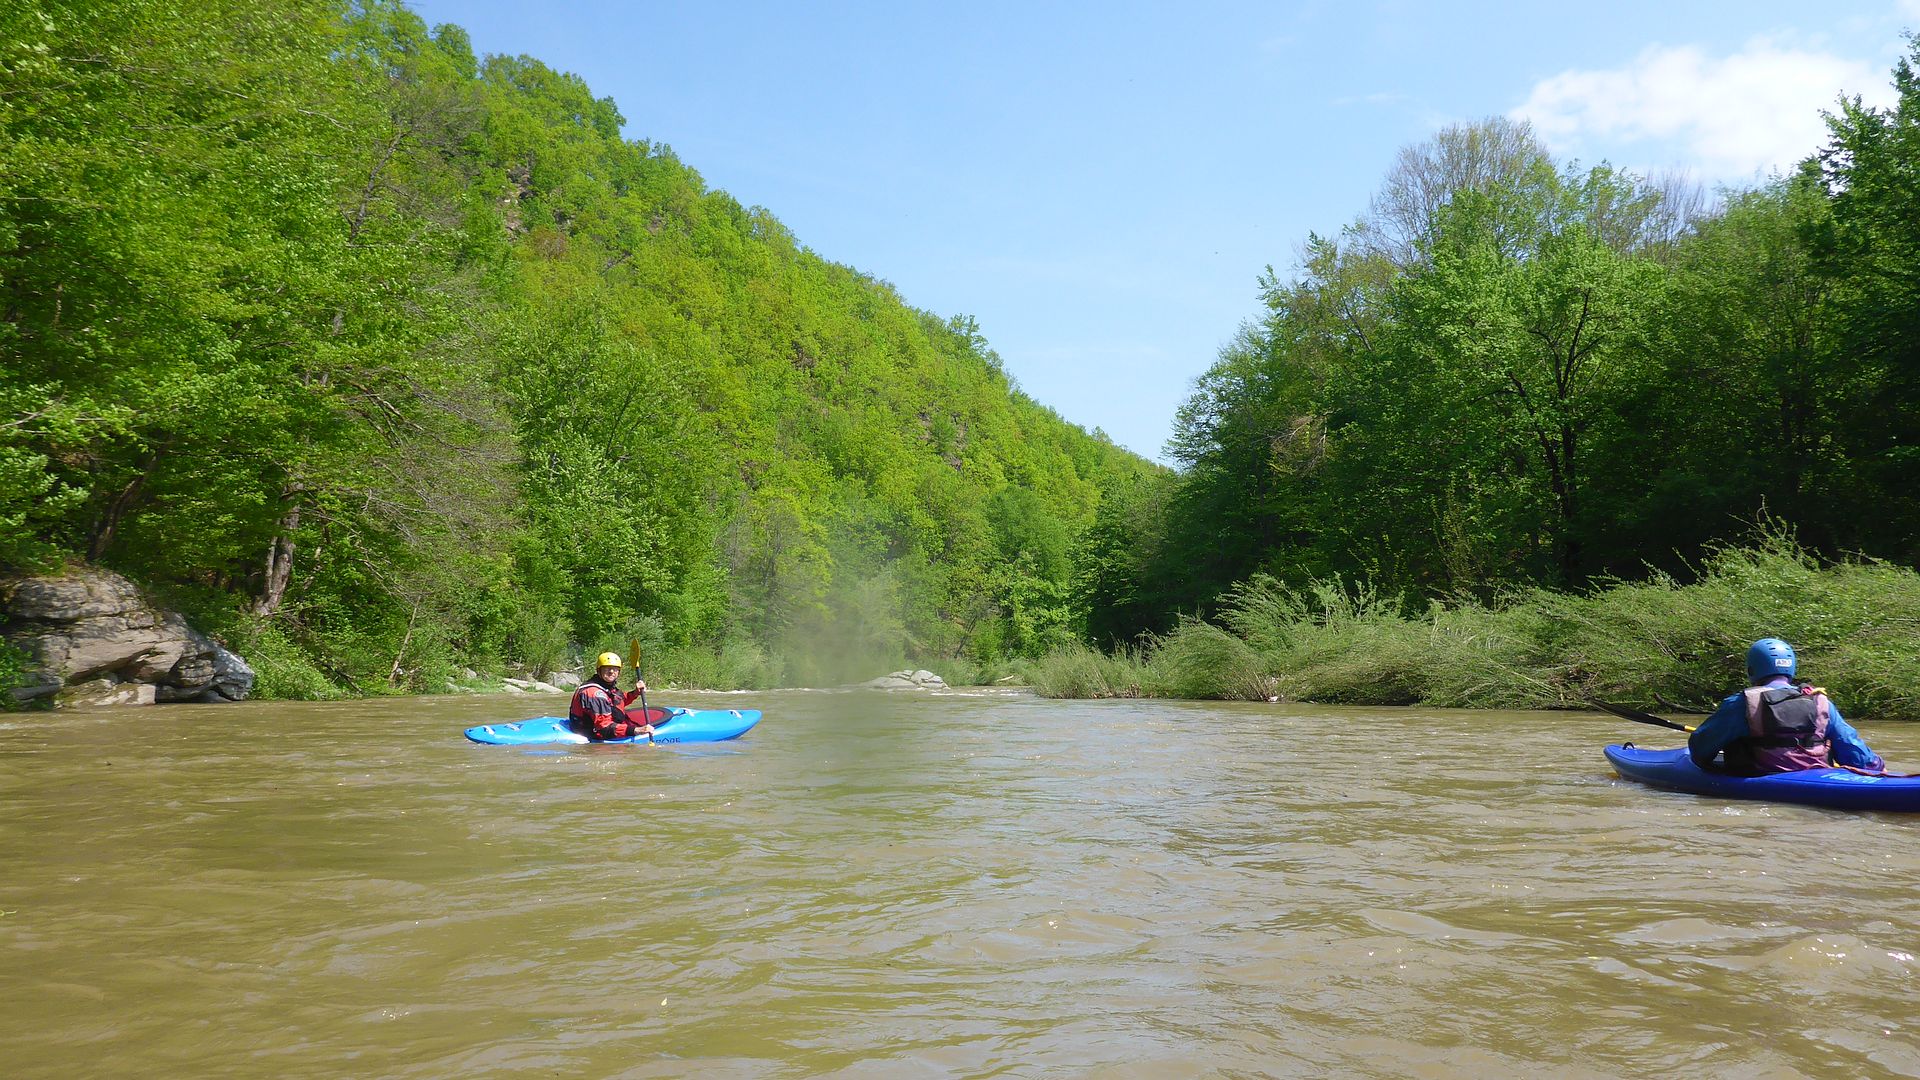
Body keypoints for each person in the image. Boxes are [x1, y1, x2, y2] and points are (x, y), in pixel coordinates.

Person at [1688, 638, 1883, 775]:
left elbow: (1700, 749)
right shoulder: (1820, 700)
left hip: (1759, 778)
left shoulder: (1742, 703)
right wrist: (1877, 767)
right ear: (1791, 667)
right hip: (1816, 776)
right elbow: (1854, 751)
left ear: (1752, 670)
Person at [567, 651, 653, 742]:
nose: (611, 671)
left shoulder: (605, 686)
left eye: (615, 669)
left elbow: (618, 701)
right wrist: (636, 730)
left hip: (600, 727)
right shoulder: (595, 694)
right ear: (599, 670)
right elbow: (604, 728)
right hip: (594, 734)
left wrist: (635, 693)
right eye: (607, 668)